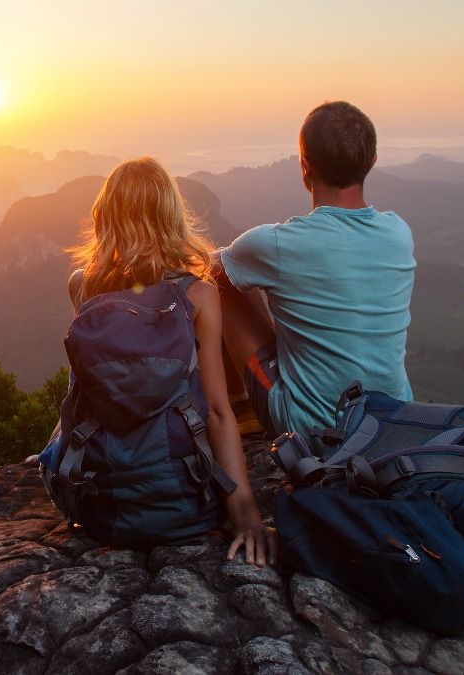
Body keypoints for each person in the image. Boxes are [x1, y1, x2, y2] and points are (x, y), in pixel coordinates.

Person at [67, 157, 274, 566]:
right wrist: (245, 511)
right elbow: (216, 410)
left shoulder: (83, 286)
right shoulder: (198, 294)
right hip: (183, 501)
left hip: (100, 506)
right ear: (171, 215)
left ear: (106, 216)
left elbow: (85, 392)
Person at [215, 101, 416, 439]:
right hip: (392, 425)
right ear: (372, 162)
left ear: (305, 166)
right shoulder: (400, 233)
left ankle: (240, 408)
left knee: (221, 282)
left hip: (312, 431)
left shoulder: (277, 244)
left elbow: (205, 266)